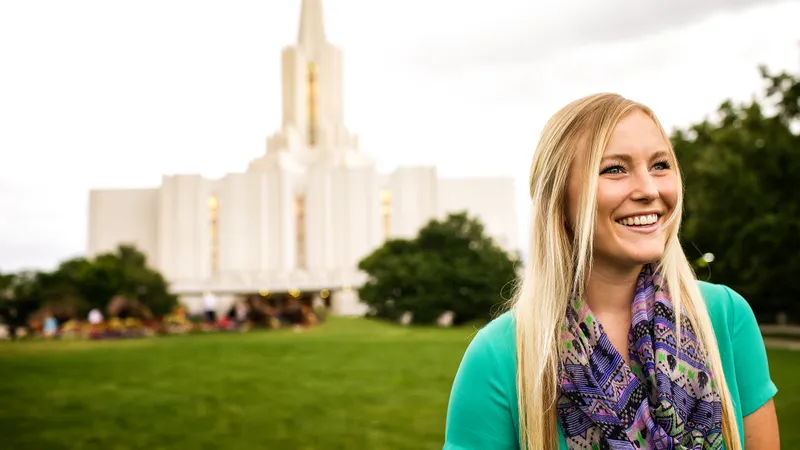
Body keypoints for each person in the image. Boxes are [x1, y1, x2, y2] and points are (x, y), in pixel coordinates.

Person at [443, 93, 780, 450]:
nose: (649, 190)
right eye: (615, 169)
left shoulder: (725, 318)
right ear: (559, 199)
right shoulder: (500, 356)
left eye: (660, 165)